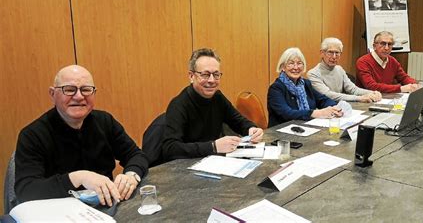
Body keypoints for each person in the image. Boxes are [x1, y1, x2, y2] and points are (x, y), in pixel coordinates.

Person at [15, 65, 148, 207]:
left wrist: (131, 175)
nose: (79, 96)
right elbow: (26, 190)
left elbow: (136, 155)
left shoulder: (105, 121)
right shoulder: (32, 135)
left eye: (86, 89)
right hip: (59, 212)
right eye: (69, 89)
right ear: (52, 94)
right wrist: (78, 178)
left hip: (106, 207)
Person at [161, 48, 264, 161]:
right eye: (205, 74)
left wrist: (251, 129)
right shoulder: (178, 105)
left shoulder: (217, 97)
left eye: (216, 74)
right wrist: (213, 146)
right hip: (187, 166)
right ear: (191, 76)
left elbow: (237, 120)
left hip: (213, 161)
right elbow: (170, 148)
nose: (212, 80)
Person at [267, 47, 343, 127]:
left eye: (299, 63)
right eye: (291, 63)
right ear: (282, 67)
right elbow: (287, 113)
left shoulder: (306, 84)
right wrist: (316, 113)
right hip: (281, 133)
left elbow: (322, 100)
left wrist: (334, 108)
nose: (296, 67)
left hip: (305, 128)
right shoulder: (276, 88)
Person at [307, 37, 382, 103]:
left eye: (337, 53)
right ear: (322, 53)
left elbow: (353, 89)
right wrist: (359, 98)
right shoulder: (313, 74)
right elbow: (328, 95)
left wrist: (373, 93)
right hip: (324, 111)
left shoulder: (339, 69)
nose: (334, 56)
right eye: (330, 52)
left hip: (340, 108)